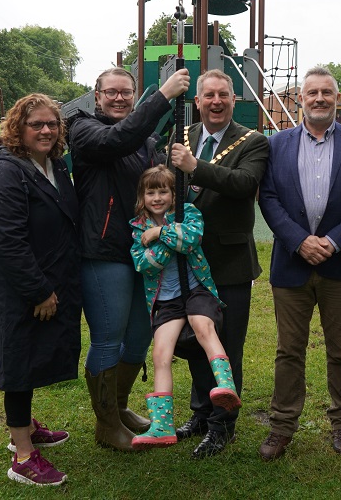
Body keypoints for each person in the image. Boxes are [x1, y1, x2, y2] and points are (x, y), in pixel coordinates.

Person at [256, 66, 341, 461]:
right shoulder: (277, 144)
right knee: (288, 351)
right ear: (301, 99)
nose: (320, 98)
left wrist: (332, 241)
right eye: (312, 92)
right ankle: (281, 426)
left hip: (340, 264)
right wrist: (299, 241)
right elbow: (268, 198)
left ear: (337, 98)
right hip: (292, 264)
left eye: (327, 92)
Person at [68, 66, 190, 451]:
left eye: (126, 92)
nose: (119, 98)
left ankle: (119, 408)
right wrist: (164, 97)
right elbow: (116, 140)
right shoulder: (83, 129)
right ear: (97, 96)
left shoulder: (144, 142)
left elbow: (156, 186)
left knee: (139, 335)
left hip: (142, 251)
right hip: (104, 251)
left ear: (135, 96)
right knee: (109, 338)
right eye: (111, 92)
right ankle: (106, 425)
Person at [167, 69, 270, 458]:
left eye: (223, 95)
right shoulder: (182, 134)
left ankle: (223, 425)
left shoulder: (253, 141)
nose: (216, 101)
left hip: (229, 262)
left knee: (226, 346)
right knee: (195, 342)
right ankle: (201, 413)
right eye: (208, 95)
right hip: (188, 262)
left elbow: (243, 184)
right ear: (197, 101)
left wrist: (194, 166)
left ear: (233, 99)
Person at [0, 93, 82, 487]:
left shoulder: (53, 164)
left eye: (52, 124)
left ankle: (23, 426)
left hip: (52, 278)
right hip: (20, 289)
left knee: (34, 357)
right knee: (19, 365)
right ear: (17, 128)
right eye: (36, 124)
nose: (46, 130)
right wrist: (38, 290)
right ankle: (23, 455)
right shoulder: (6, 172)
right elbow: (7, 241)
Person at [128, 165, 241, 450]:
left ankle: (225, 386)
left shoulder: (188, 213)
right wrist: (169, 238)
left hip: (196, 290)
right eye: (150, 192)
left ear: (173, 194)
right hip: (166, 300)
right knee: (160, 353)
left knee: (203, 326)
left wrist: (159, 233)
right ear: (142, 197)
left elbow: (191, 239)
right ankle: (162, 425)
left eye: (163, 191)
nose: (157, 198)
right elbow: (144, 263)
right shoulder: (138, 227)